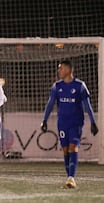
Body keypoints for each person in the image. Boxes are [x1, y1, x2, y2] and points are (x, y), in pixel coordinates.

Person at [41, 60, 98, 189]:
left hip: (76, 122)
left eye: (60, 68)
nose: (58, 71)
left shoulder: (80, 86)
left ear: (68, 70)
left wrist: (93, 122)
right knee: (65, 150)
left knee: (73, 147)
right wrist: (44, 120)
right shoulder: (57, 86)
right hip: (62, 122)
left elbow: (87, 105)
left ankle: (71, 177)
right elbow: (50, 104)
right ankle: (69, 178)